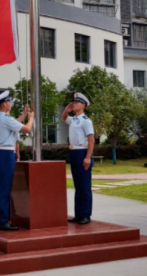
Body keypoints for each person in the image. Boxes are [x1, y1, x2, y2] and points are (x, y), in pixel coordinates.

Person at [0, 91, 34, 231]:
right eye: (9, 102)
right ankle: (1, 221)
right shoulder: (5, 118)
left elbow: (13, 123)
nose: (10, 104)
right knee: (4, 188)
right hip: (6, 154)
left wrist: (24, 114)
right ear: (4, 104)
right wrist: (31, 117)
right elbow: (26, 128)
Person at [62, 93, 95, 225]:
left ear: (83, 105)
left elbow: (91, 140)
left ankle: (86, 214)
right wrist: (66, 110)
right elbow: (64, 118)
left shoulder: (86, 121)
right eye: (73, 102)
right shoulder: (74, 119)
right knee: (78, 185)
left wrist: (88, 157)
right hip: (73, 152)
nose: (74, 104)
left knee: (85, 186)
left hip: (82, 152)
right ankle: (78, 214)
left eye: (77, 102)